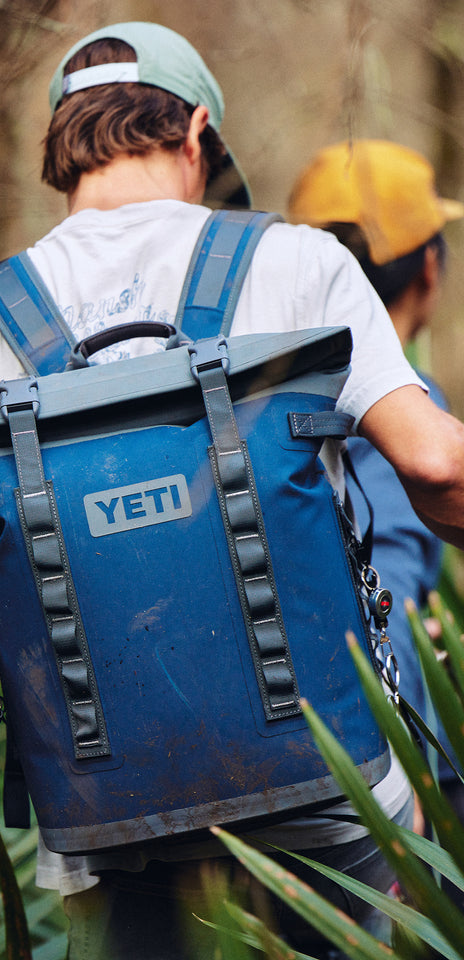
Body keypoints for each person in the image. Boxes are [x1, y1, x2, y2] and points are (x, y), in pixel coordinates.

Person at [0, 20, 464, 958]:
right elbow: (438, 469)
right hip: (328, 792)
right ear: (195, 131)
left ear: (63, 150)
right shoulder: (296, 263)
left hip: (109, 820)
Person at [288, 140, 464, 841]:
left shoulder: (267, 396)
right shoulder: (406, 413)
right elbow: (378, 584)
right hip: (382, 770)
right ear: (430, 267)